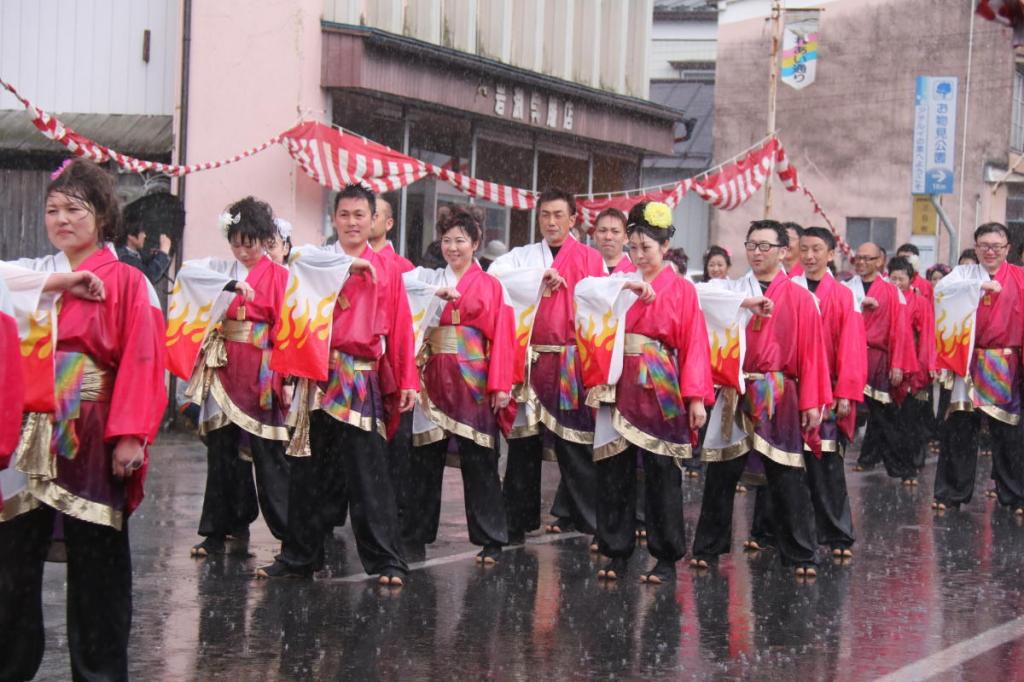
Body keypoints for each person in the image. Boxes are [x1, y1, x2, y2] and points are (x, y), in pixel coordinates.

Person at [0, 159, 166, 681]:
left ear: (103, 216)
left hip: (89, 429)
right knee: (11, 559)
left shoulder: (129, 281)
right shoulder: (31, 273)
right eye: (53, 210)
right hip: (27, 426)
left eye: (75, 209)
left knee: (98, 563)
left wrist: (131, 435)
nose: (62, 219)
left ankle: (99, 674)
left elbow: (144, 360)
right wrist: (59, 282)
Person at [258, 183, 417, 586]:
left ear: (373, 220)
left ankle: (387, 560)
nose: (351, 222)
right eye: (344, 215)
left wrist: (408, 379)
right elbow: (295, 274)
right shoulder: (314, 262)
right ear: (334, 219)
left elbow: (401, 328)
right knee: (307, 471)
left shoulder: (389, 269)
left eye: (359, 215)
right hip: (316, 374)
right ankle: (299, 557)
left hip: (358, 376)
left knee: (368, 473)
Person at [577, 201, 713, 584]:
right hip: (619, 378)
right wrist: (623, 285)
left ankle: (666, 556)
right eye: (632, 247)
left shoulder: (682, 289)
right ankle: (616, 550)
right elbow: (584, 294)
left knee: (662, 471)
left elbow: (695, 344)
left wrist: (696, 398)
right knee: (613, 470)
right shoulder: (617, 282)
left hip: (659, 376)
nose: (638, 255)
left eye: (646, 248)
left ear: (665, 247)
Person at [691, 219, 832, 577]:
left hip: (778, 388)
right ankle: (707, 548)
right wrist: (743, 301)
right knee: (721, 473)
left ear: (783, 252)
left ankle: (799, 553)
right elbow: (695, 295)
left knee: (785, 474)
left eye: (765, 246)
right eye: (752, 245)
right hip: (736, 387)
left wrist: (812, 402)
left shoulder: (801, 298)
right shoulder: (731, 289)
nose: (757, 252)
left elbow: (813, 354)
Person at [171, 198, 292, 558]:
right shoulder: (222, 270)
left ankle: (291, 535)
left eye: (249, 243)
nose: (242, 251)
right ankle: (216, 530)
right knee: (221, 453)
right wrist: (229, 283)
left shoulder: (280, 277)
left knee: (269, 455)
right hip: (223, 368)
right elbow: (187, 277)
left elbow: (286, 330)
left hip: (261, 369)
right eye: (236, 243)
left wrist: (285, 379)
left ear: (266, 239)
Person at [489, 187, 606, 546]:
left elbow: (601, 311)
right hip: (530, 359)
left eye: (558, 215)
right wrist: (537, 277)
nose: (551, 222)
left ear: (573, 219)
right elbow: (494, 276)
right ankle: (516, 521)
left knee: (575, 445)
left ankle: (595, 523)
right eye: (545, 215)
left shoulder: (590, 259)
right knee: (523, 444)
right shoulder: (523, 257)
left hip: (569, 360)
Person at [402, 206, 515, 564]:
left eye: (460, 240)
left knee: (480, 460)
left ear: (476, 243)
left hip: (474, 380)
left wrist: (501, 384)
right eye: (447, 240)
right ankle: (416, 534)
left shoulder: (492, 285)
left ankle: (490, 537)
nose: (452, 247)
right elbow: (401, 291)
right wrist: (431, 294)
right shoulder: (430, 279)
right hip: (434, 376)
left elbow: (503, 336)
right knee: (424, 458)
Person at [933, 223, 1024, 513]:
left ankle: (1015, 495)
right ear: (976, 247)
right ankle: (951, 493)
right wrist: (976, 286)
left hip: (1003, 362)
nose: (990, 251)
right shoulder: (963, 274)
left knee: (1008, 432)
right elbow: (941, 291)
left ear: (1007, 249)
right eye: (984, 245)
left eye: (996, 246)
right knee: (960, 428)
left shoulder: (1020, 277)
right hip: (967, 358)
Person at [792, 227, 867, 558]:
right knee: (787, 465)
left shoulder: (844, 296)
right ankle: (786, 534)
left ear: (831, 254)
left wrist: (845, 392)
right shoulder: (788, 289)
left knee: (827, 464)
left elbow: (852, 346)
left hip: (828, 390)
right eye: (804, 249)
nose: (809, 256)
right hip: (791, 389)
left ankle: (836, 534)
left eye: (817, 249)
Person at [847, 242, 917, 477]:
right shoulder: (846, 288)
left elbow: (900, 330)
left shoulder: (891, 291)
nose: (861, 262)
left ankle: (904, 468)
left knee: (886, 415)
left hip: (877, 359)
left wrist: (898, 363)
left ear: (880, 261)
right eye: (858, 258)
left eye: (868, 258)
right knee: (846, 415)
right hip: (850, 357)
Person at [887, 256, 936, 483]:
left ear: (911, 279)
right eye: (893, 278)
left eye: (901, 278)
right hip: (889, 367)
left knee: (912, 421)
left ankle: (913, 465)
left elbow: (926, 337)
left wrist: (927, 366)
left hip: (914, 367)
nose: (897, 283)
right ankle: (899, 464)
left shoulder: (920, 303)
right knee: (892, 421)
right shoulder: (885, 300)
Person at [116, 220, 172, 285]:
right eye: (142, 232)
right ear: (131, 236)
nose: (144, 236)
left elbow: (149, 269)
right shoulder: (125, 258)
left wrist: (156, 256)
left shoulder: (137, 253)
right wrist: (163, 253)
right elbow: (149, 277)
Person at [592, 207, 635, 274]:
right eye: (602, 231)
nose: (608, 237)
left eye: (615, 231)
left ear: (626, 238)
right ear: (594, 236)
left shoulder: (637, 272)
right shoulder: (584, 269)